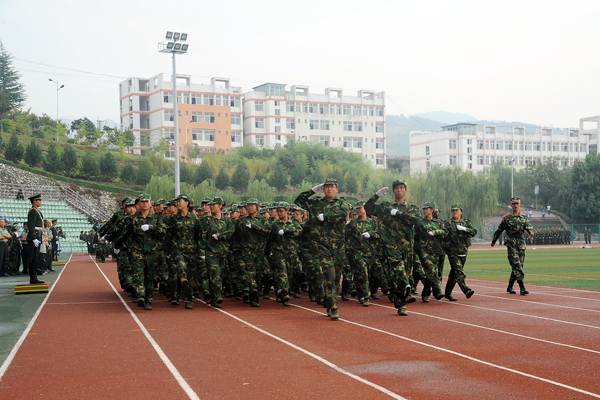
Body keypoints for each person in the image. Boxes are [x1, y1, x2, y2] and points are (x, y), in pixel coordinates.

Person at [296, 178, 351, 320]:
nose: (329, 189)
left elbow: (342, 215)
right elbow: (298, 201)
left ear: (337, 189)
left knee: (336, 277)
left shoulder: (342, 203)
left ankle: (329, 301)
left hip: (338, 246)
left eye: (332, 187)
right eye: (326, 187)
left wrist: (325, 216)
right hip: (321, 245)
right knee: (329, 276)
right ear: (323, 189)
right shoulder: (316, 203)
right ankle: (333, 307)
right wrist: (312, 191)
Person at [365, 179, 419, 316]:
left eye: (401, 187)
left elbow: (416, 220)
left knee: (401, 276)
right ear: (393, 191)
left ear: (405, 190)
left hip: (407, 247)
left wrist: (398, 213)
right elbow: (368, 208)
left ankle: (401, 304)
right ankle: (406, 287)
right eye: (396, 188)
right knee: (400, 272)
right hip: (391, 246)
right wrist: (376, 196)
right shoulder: (385, 207)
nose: (399, 190)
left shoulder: (412, 208)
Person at [491, 197, 534, 295]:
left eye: (517, 204)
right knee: (516, 265)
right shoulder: (507, 218)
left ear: (520, 205)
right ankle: (522, 287)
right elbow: (499, 230)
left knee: (519, 266)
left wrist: (531, 232)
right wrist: (494, 241)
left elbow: (528, 227)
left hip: (521, 244)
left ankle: (510, 286)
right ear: (511, 205)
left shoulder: (524, 218)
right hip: (512, 243)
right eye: (514, 204)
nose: (515, 205)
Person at [443, 203, 476, 300]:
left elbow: (474, 232)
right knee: (458, 271)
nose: (454, 212)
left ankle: (448, 292)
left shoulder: (466, 223)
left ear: (461, 212)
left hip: (463, 251)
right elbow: (443, 234)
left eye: (456, 210)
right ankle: (465, 289)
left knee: (454, 273)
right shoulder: (448, 223)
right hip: (452, 251)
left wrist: (465, 229)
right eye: (453, 210)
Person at [26, 193, 46, 284]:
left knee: (35, 257)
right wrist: (34, 237)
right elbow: (31, 225)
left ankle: (34, 277)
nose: (41, 202)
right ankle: (33, 278)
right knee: (33, 258)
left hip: (38, 235)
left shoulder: (36, 211)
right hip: (35, 235)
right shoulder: (33, 211)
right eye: (39, 200)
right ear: (34, 201)